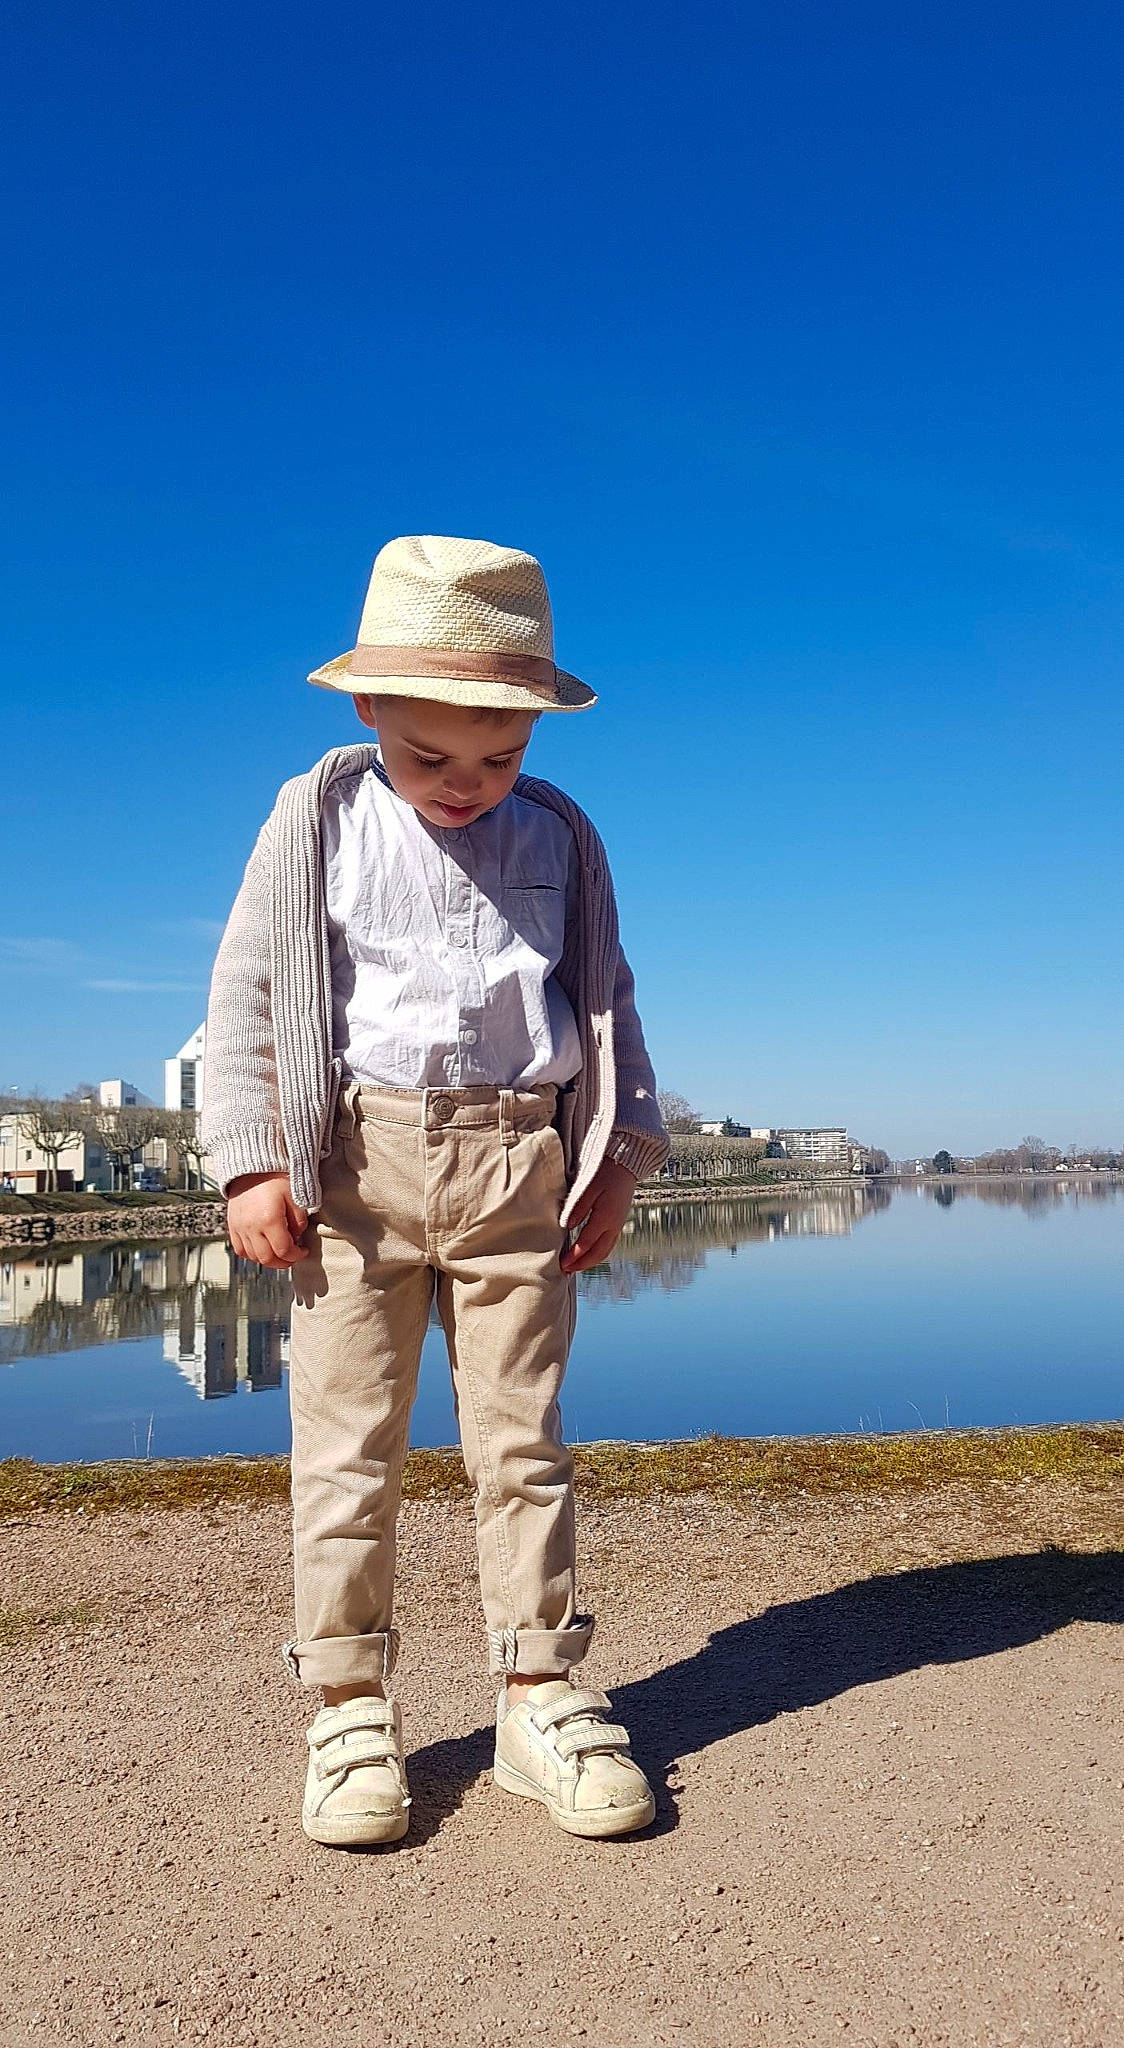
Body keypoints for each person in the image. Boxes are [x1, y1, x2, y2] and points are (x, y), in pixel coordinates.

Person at [202, 534, 670, 1847]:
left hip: (523, 1161)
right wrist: (250, 1158)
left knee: (522, 1445)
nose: (465, 785)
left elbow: (609, 1005)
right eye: (430, 757)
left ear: (532, 727)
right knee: (346, 1452)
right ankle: (348, 1706)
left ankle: (537, 1691)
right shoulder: (315, 821)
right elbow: (243, 999)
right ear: (369, 712)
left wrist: (620, 1155)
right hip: (356, 1167)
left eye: (498, 756)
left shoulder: (563, 838)